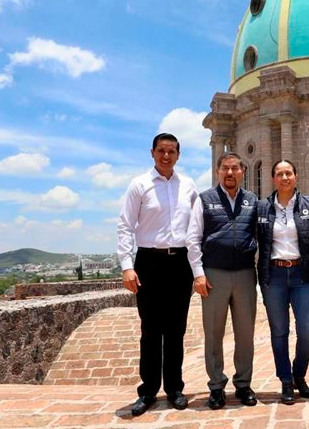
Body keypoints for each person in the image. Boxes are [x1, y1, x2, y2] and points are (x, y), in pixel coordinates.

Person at [116, 133, 197, 416]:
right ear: (152, 152)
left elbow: (196, 229)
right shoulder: (139, 185)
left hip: (180, 263)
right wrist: (127, 265)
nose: (166, 156)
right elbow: (125, 226)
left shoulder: (188, 186)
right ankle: (148, 390)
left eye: (171, 151)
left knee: (176, 330)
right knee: (150, 330)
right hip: (149, 261)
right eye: (161, 151)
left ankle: (175, 388)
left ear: (178, 154)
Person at [186, 152, 259, 410]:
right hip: (214, 274)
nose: (230, 173)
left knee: (245, 333)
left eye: (235, 169)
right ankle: (216, 386)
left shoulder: (252, 201)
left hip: (245, 274)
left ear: (242, 172)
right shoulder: (204, 200)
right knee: (213, 333)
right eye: (225, 169)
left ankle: (243, 384)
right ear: (218, 172)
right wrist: (198, 273)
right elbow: (193, 238)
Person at [256, 160, 309, 405]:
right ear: (273, 178)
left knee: (306, 330)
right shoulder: (262, 208)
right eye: (279, 174)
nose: (284, 178)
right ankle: (285, 380)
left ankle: (299, 374)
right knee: (279, 331)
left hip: (302, 274)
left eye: (288, 173)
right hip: (273, 275)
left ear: (296, 176)